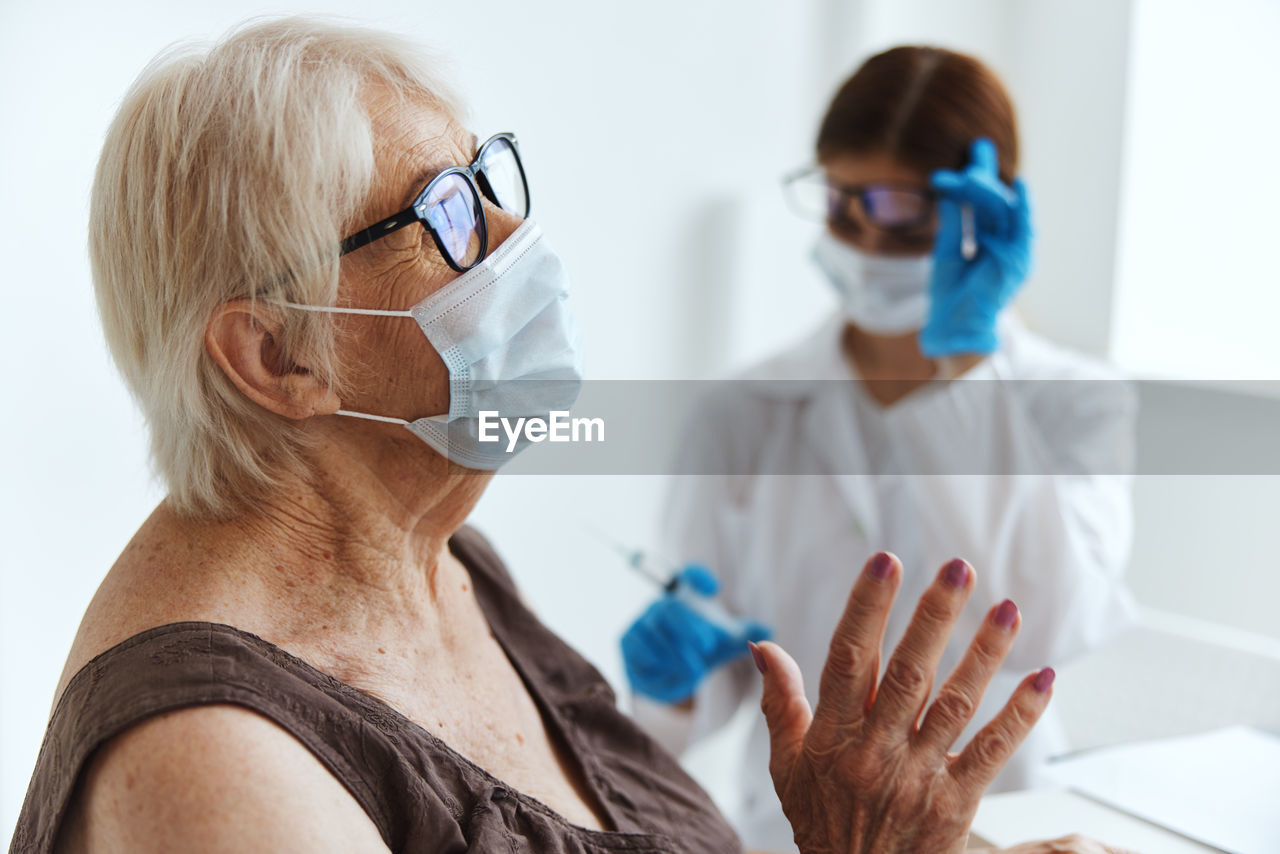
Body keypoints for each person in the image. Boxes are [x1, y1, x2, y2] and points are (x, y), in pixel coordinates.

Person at [10, 20, 1118, 854]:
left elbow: (1069, 612)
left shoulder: (449, 563)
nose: (513, 236)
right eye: (444, 213)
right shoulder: (215, 761)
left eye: (487, 177)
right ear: (281, 357)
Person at [623, 46, 1137, 851]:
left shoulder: (1073, 398)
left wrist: (967, 369)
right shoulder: (743, 409)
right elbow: (727, 658)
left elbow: (1055, 625)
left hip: (1005, 818)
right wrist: (671, 689)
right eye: (839, 199)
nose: (863, 233)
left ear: (985, 210)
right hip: (801, 828)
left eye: (901, 209)